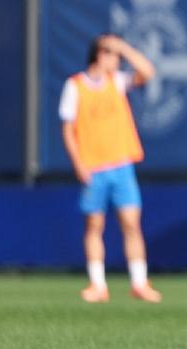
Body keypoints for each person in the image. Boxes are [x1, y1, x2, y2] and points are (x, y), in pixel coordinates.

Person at [59, 33, 161, 304]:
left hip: (121, 165)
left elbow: (147, 72)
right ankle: (97, 285)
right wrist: (78, 163)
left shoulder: (117, 82)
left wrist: (125, 48)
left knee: (131, 224)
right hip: (93, 167)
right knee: (94, 224)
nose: (116, 59)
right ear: (99, 55)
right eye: (111, 53)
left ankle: (139, 282)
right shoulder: (75, 86)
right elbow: (68, 129)